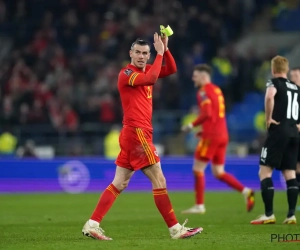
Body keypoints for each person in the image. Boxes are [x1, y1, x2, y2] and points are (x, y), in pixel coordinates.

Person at [82, 33, 203, 240]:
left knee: (119, 182)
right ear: (130, 53)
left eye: (145, 53)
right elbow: (153, 78)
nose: (141, 56)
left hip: (133, 133)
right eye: (137, 52)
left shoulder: (147, 69)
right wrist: (159, 54)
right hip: (137, 133)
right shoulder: (127, 73)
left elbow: (172, 69)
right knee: (159, 178)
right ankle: (175, 229)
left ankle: (92, 224)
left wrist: (165, 49)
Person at [181, 64, 255, 214]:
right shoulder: (217, 90)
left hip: (212, 136)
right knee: (218, 172)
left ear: (203, 76)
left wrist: (191, 125)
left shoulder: (203, 91)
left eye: (195, 76)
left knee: (197, 169)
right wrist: (204, 130)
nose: (193, 79)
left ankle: (199, 205)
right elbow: (214, 114)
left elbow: (207, 113)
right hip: (222, 135)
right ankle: (247, 191)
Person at [251, 56, 300, 224]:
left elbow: (270, 96)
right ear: (286, 70)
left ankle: (269, 214)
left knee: (265, 172)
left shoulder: (274, 83)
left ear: (273, 69)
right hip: (294, 133)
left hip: (279, 132)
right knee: (290, 173)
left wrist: (268, 118)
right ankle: (291, 215)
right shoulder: (295, 87)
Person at [289, 67, 300, 209]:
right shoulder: (290, 94)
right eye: (291, 75)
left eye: (296, 75)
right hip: (293, 136)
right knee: (296, 167)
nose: (293, 78)